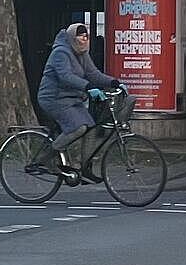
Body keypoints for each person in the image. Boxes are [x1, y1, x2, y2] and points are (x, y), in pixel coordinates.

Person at [36, 22, 125, 172]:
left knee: (91, 127)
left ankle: (85, 167)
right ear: (72, 37)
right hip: (54, 98)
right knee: (78, 128)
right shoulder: (61, 52)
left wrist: (115, 82)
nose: (84, 39)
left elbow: (93, 73)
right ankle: (47, 156)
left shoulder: (82, 53)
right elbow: (65, 76)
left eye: (86, 36)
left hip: (72, 99)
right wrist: (88, 87)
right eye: (80, 36)